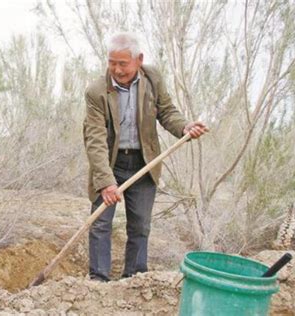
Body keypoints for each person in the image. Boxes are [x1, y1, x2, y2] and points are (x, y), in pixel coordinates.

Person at [83, 32, 208, 282]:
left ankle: (135, 278)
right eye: (111, 62)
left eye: (122, 63)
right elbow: (95, 140)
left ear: (139, 60)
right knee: (100, 224)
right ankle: (98, 280)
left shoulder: (152, 79)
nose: (116, 70)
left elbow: (167, 112)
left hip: (143, 164)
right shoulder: (96, 91)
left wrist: (184, 127)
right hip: (109, 165)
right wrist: (106, 182)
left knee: (140, 226)